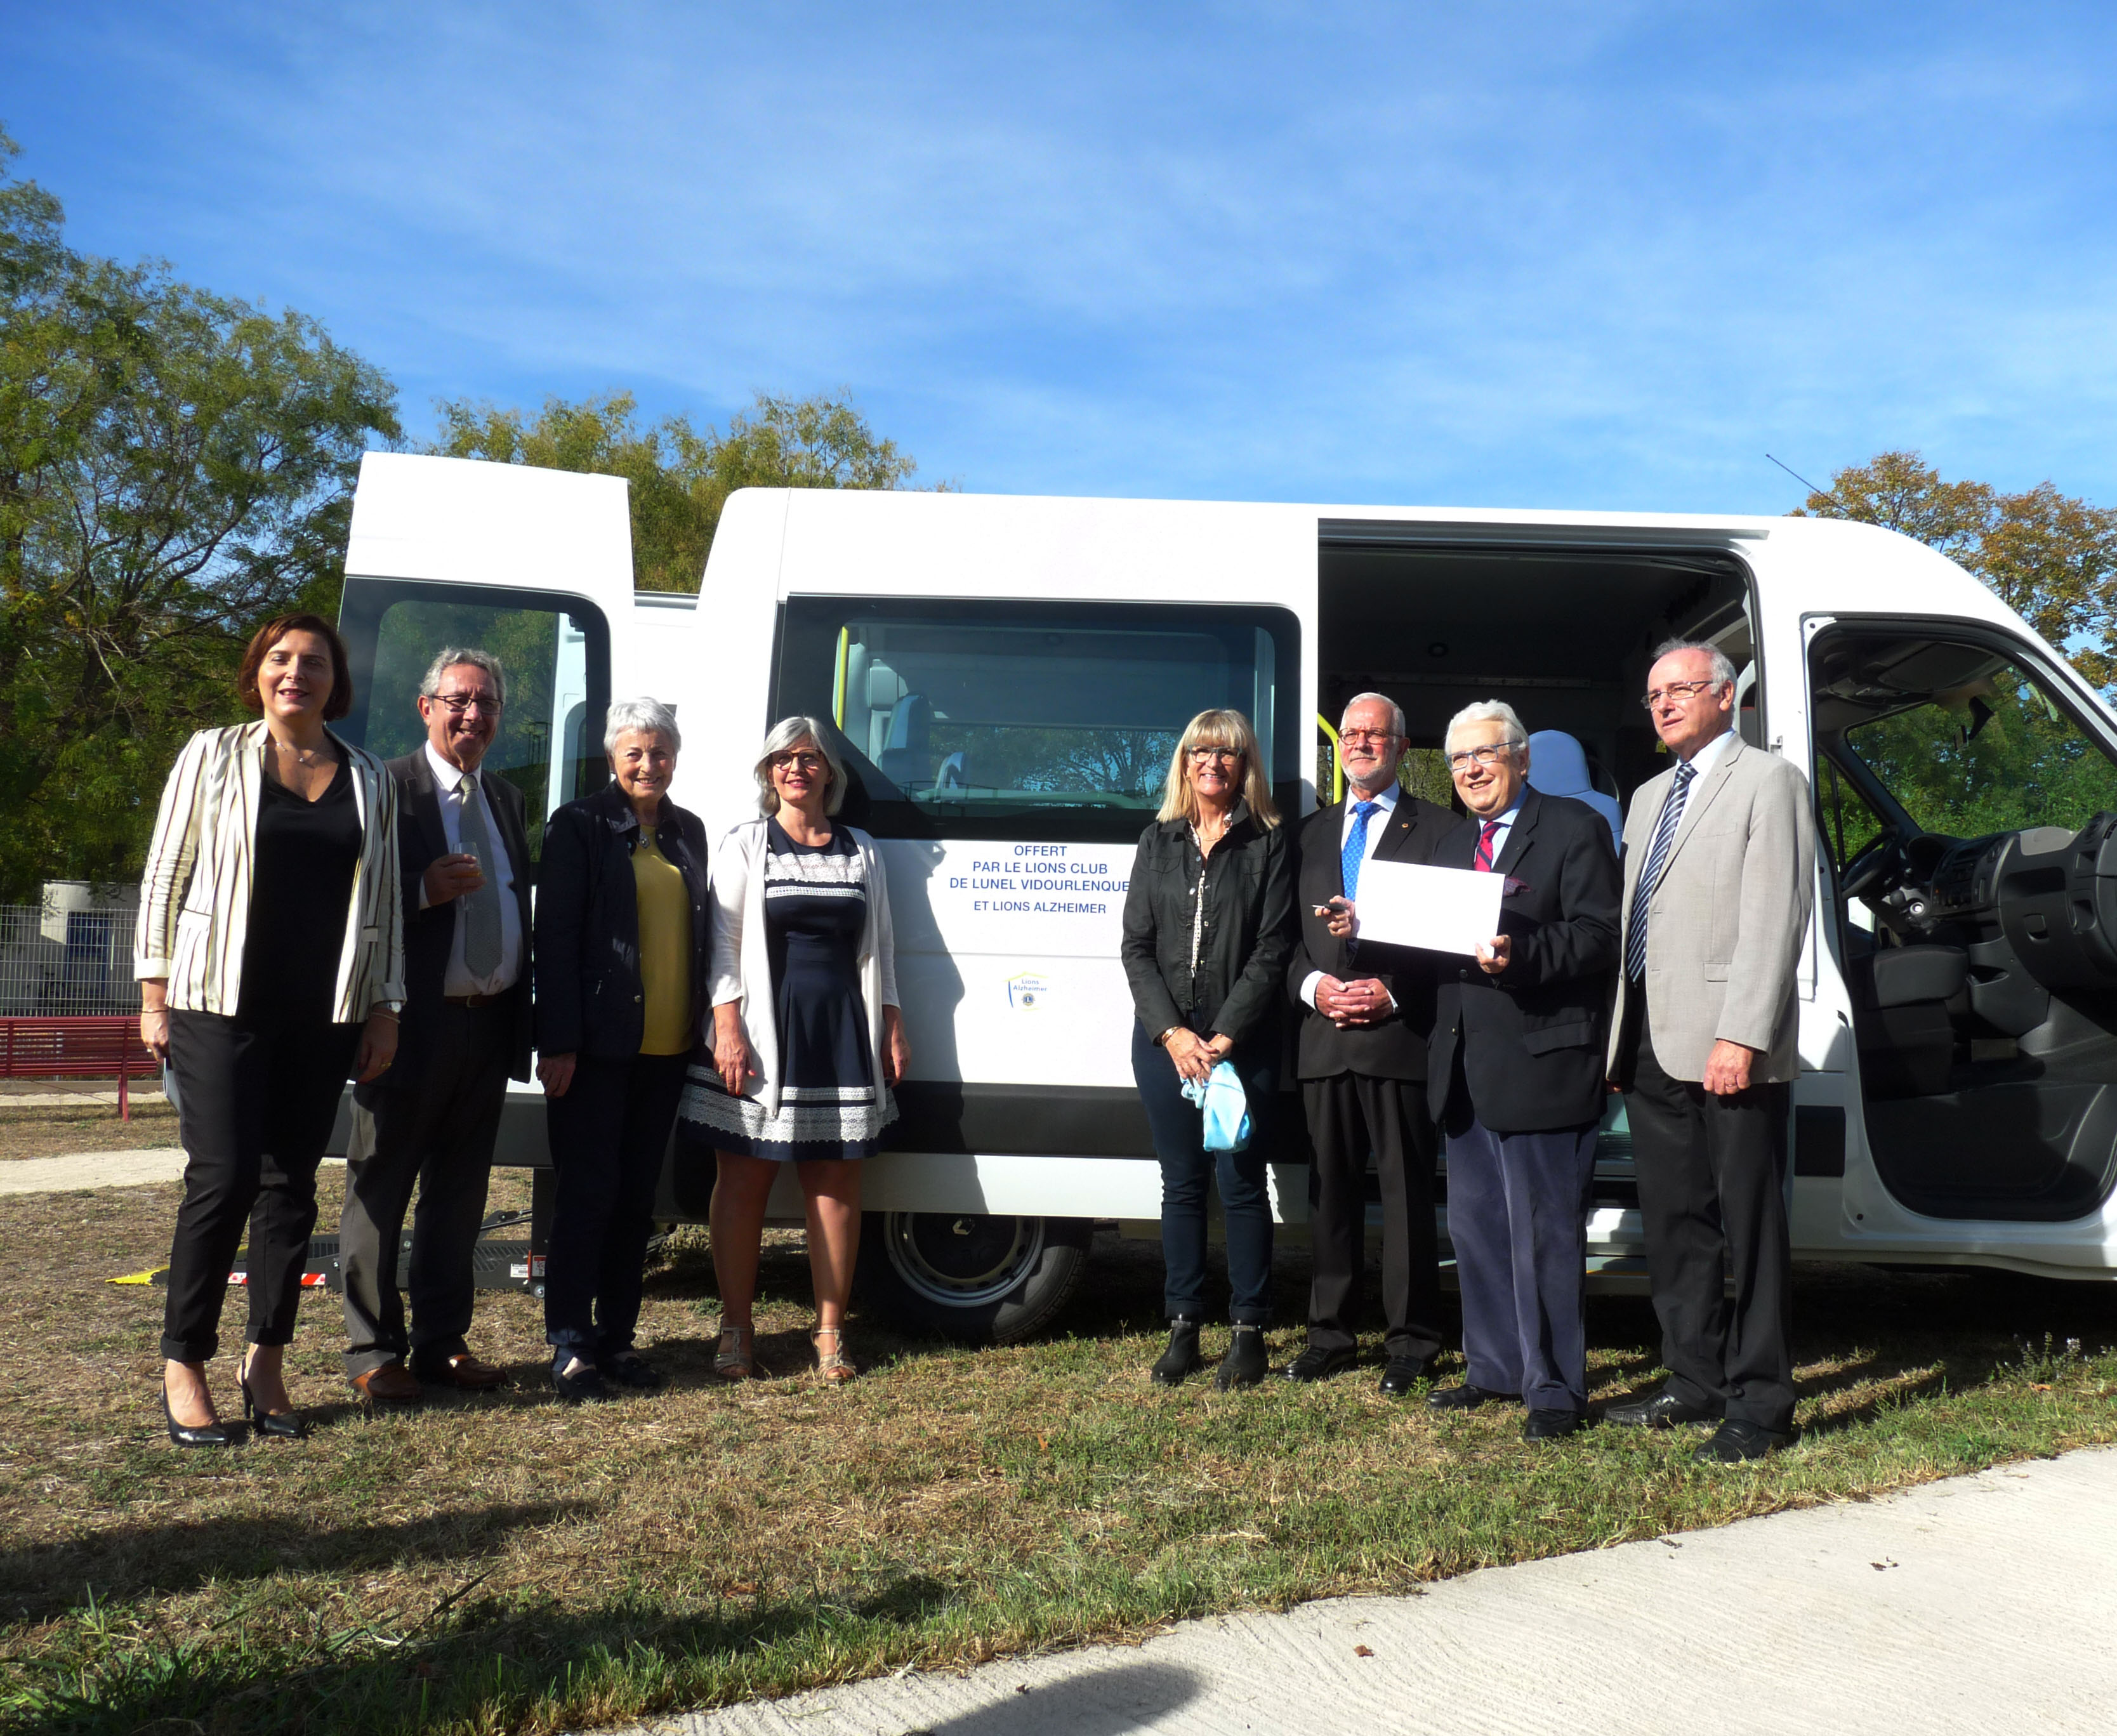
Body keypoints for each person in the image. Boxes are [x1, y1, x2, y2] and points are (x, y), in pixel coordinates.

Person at [135, 613, 403, 1447]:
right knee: (222, 1180)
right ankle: (185, 1362)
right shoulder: (212, 755)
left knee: (292, 1186)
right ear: (258, 672)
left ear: (336, 682)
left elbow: (387, 902)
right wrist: (154, 992)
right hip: (218, 1003)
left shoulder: (368, 778)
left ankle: (267, 1359)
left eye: (315, 662)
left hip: (323, 1012)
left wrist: (385, 1007)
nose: (297, 673)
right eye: (281, 660)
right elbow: (165, 876)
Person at [1606, 641, 1814, 1462]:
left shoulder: (1770, 781)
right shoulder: (1650, 795)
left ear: (1726, 696)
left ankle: (1761, 1405)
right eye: (1654, 693)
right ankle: (1693, 1381)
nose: (1662, 705)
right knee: (1677, 1222)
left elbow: (1776, 916)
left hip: (1730, 1042)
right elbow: (1639, 924)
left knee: (1749, 1227)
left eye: (1681, 690)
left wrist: (1744, 1033)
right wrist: (1622, 1037)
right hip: (1654, 1040)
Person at [677, 717, 908, 1384]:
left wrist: (892, 1021)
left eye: (809, 759)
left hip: (839, 1034)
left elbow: (882, 949)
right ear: (767, 770)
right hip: (759, 1035)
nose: (796, 769)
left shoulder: (861, 849)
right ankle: (736, 1329)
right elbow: (721, 945)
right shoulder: (748, 843)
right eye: (784, 758)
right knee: (743, 1183)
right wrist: (726, 1028)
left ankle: (830, 1334)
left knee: (835, 1185)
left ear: (829, 773)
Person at [336, 647, 532, 1404]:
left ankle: (442, 1344)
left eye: (486, 705)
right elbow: (347, 903)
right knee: (381, 1190)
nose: (473, 716)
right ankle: (371, 1352)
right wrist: (420, 891)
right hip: (406, 1027)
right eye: (459, 701)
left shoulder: (507, 802)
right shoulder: (386, 789)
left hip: (486, 1030)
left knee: (460, 1199)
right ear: (427, 708)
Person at [1420, 702, 1620, 1440]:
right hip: (1466, 1067)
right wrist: (1363, 926)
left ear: (1522, 758)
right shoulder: (1450, 843)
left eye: (1486, 754)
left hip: (1543, 1061)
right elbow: (1426, 939)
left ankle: (1557, 1391)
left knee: (1545, 1235)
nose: (1471, 769)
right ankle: (1496, 1371)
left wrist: (1525, 955)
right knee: (1477, 1229)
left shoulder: (1575, 829)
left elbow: (1601, 934)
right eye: (1458, 760)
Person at [534, 697, 710, 1403]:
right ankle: (571, 1347)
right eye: (635, 752)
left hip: (666, 1053)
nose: (648, 764)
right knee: (587, 1197)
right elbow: (557, 941)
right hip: (595, 1052)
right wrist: (560, 1044)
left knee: (637, 1203)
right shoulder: (578, 826)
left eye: (660, 752)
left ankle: (618, 1340)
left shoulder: (687, 832)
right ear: (612, 757)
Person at [1281, 693, 1454, 1394]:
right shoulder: (1310, 833)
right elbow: (1285, 941)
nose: (1359, 743)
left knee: (1408, 1195)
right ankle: (1330, 1332)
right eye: (1350, 734)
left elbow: (1450, 936)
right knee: (1331, 1194)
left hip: (1398, 1036)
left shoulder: (1441, 829)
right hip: (1324, 1038)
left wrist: (1393, 993)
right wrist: (1313, 989)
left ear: (1402, 747)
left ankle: (1412, 1341)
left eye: (1374, 734)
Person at [1120, 708, 1295, 1390]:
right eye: (1200, 752)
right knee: (1182, 1186)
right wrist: (1173, 1033)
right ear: (1184, 763)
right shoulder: (1156, 840)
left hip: (1237, 1041)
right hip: (1165, 1042)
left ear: (1244, 765)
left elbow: (1274, 947)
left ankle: (1248, 1329)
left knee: (1242, 1185)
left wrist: (1222, 1038)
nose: (1211, 764)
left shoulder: (1269, 843)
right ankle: (1184, 1325)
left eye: (1226, 754)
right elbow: (1136, 948)